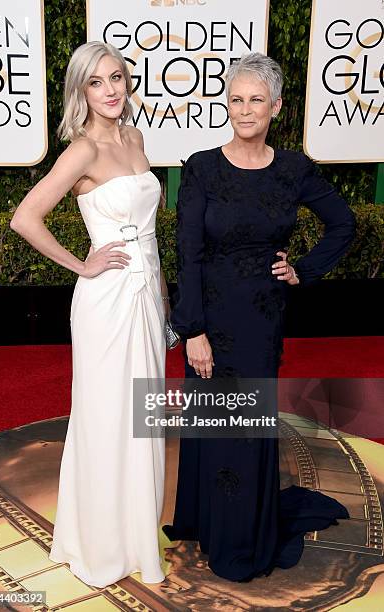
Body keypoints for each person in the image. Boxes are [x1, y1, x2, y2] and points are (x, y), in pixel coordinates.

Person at [163, 52, 355, 582]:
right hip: (211, 318)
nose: (244, 110)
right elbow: (189, 254)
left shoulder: (294, 169)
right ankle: (206, 520)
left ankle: (243, 536)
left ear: (275, 106)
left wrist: (304, 270)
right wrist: (192, 330)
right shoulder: (201, 166)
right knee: (211, 423)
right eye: (235, 99)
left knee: (247, 429)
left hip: (262, 318)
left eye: (255, 100)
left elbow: (343, 223)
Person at [10, 41, 169, 587]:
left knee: (144, 420)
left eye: (117, 77)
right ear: (81, 91)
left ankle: (135, 538)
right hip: (105, 301)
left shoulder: (136, 137)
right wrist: (81, 263)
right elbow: (25, 218)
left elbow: (150, 238)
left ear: (128, 82)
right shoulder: (80, 151)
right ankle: (100, 544)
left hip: (146, 297)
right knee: (106, 417)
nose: (110, 89)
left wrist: (166, 306)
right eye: (96, 82)